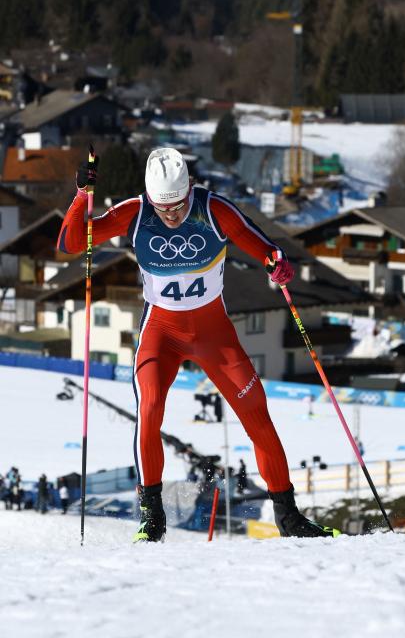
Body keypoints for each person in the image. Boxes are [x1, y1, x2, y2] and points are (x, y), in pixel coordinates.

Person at [57, 147, 336, 542]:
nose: (170, 216)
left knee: (258, 415)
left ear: (190, 189)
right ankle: (152, 518)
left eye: (178, 207)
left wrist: (276, 262)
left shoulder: (214, 209)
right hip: (161, 333)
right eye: (163, 209)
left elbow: (258, 243)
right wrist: (82, 196)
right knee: (150, 408)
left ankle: (289, 518)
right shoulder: (135, 213)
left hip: (213, 335)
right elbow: (70, 242)